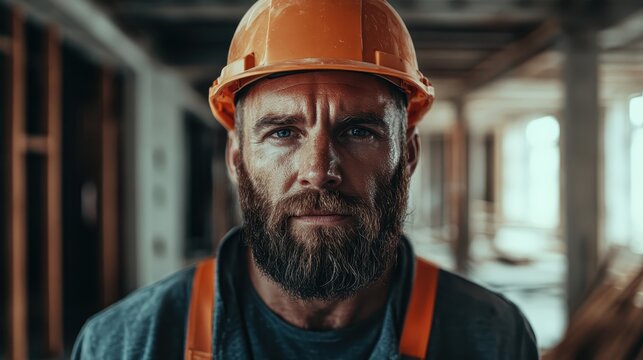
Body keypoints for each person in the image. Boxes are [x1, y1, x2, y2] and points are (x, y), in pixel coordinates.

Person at [72, 0, 538, 359]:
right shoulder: (125, 344)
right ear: (237, 158)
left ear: (408, 154)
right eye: (282, 132)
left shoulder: (491, 336)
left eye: (358, 130)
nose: (319, 170)